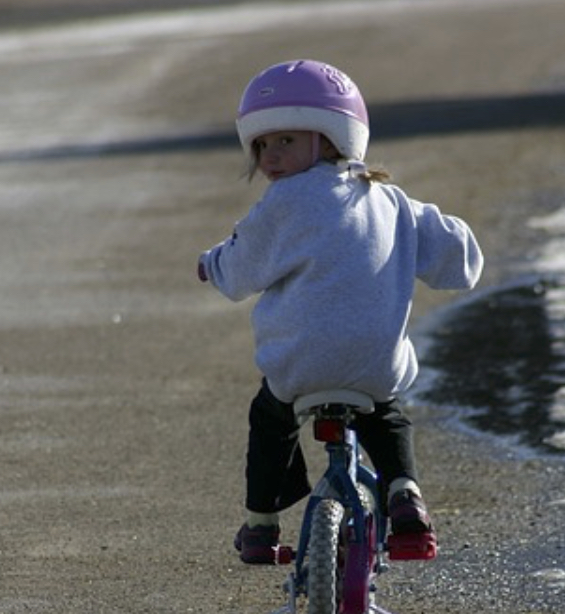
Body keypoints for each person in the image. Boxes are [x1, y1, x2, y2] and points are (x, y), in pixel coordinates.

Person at [197, 59, 483, 565]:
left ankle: (261, 526)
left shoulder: (283, 204)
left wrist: (210, 265)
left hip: (299, 368)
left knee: (270, 418)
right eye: (261, 145)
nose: (270, 157)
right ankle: (405, 496)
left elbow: (239, 269)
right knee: (386, 414)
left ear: (332, 139)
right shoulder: (391, 202)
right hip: (375, 366)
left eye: (285, 140)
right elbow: (456, 257)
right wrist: (465, 250)